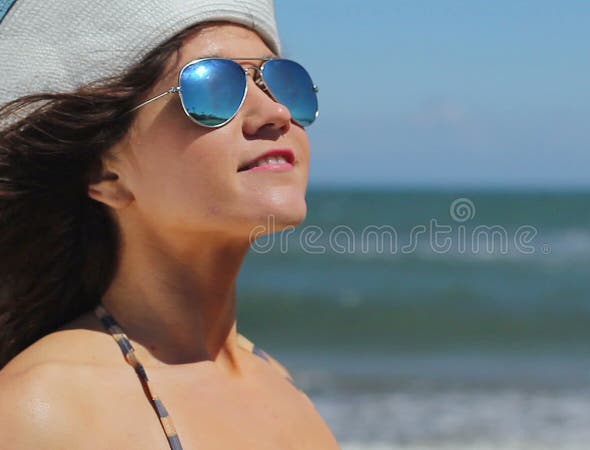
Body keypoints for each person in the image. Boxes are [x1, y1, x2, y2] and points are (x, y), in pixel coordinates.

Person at [0, 1, 339, 448]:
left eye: (284, 84)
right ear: (106, 175)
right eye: (213, 88)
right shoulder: (38, 411)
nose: (275, 113)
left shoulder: (277, 382)